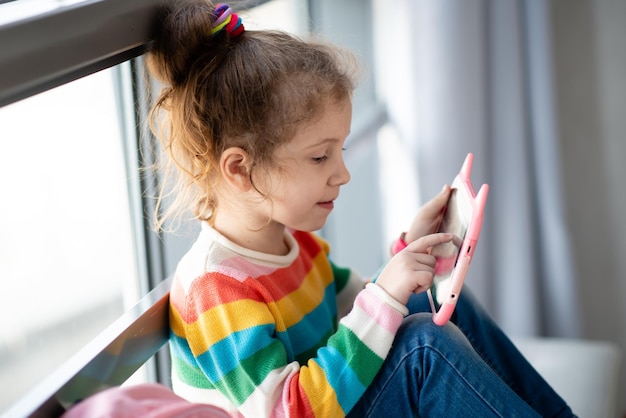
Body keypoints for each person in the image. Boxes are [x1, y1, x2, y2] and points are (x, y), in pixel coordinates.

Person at [146, 1, 575, 416]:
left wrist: (409, 252)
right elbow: (287, 410)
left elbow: (360, 308)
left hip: (333, 405)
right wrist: (388, 290)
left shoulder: (291, 243)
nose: (342, 174)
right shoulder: (215, 288)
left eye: (341, 150)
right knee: (422, 346)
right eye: (320, 157)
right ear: (240, 169)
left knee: (438, 302)